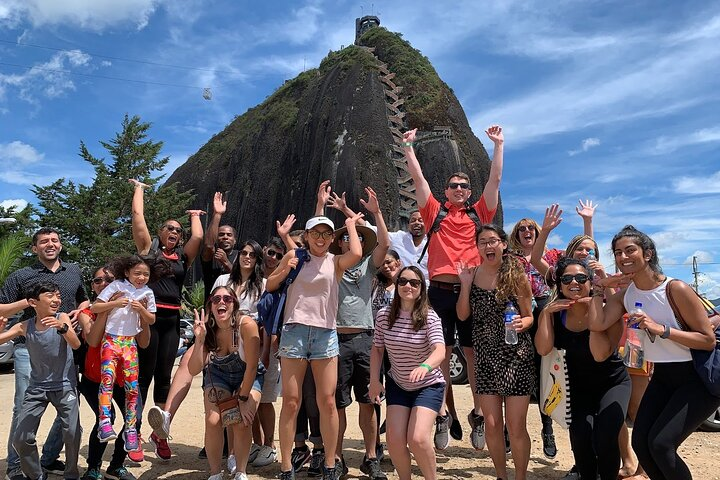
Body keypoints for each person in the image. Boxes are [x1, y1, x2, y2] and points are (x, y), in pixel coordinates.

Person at [589, 225, 720, 480]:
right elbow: (598, 323)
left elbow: (707, 340)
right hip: (662, 376)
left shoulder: (675, 289)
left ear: (647, 254)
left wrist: (660, 329)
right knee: (641, 444)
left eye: (630, 250)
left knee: (662, 445)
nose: (623, 257)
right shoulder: (627, 295)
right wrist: (599, 288)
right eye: (618, 252)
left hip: (696, 376)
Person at [403, 125, 504, 448]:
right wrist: (408, 149)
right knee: (441, 354)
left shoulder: (479, 212)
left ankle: (476, 413)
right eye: (453, 185)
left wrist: (498, 146)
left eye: (463, 185)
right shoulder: (435, 211)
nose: (459, 189)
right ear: (445, 191)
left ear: (468, 190)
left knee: (472, 354)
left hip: (471, 292)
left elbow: (495, 181)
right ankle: (445, 414)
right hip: (439, 292)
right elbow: (418, 181)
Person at [268, 212, 363, 480]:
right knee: (291, 402)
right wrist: (287, 267)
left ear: (331, 238)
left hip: (324, 334)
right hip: (294, 331)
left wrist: (351, 225)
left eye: (326, 234)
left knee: (328, 402)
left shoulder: (335, 262)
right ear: (307, 236)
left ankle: (331, 463)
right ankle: (287, 466)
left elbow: (356, 252)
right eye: (315, 233)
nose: (320, 238)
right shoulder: (294, 256)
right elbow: (270, 284)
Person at [0, 227, 89, 480]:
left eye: (55, 240)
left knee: (68, 411)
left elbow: (83, 299)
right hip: (29, 344)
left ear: (60, 244)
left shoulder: (73, 271)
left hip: (63, 343)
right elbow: (2, 308)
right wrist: (30, 301)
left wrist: (78, 312)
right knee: (23, 407)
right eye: (44, 241)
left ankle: (49, 458)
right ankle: (16, 466)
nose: (50, 244)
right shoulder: (22, 275)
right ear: (35, 248)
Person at [316, 182, 390, 480]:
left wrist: (377, 212)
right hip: (335, 340)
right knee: (337, 402)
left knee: (369, 401)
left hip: (365, 339)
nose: (351, 240)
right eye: (346, 237)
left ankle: (371, 456)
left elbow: (384, 244)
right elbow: (315, 240)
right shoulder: (331, 264)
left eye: (356, 236)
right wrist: (320, 207)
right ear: (341, 244)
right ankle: (335, 456)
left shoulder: (369, 267)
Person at [535, 257, 630, 480]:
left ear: (590, 282)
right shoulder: (555, 314)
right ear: (559, 285)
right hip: (578, 388)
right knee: (581, 438)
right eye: (567, 279)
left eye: (581, 278)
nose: (574, 283)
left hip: (613, 383)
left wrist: (594, 308)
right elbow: (543, 349)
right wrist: (546, 314)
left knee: (606, 437)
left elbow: (599, 355)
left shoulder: (609, 311)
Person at [129, 178, 204, 460]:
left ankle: (160, 433)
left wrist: (195, 216)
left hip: (172, 321)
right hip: (149, 319)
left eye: (177, 230)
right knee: (142, 378)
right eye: (169, 228)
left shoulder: (183, 258)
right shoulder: (149, 251)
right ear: (160, 233)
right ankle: (132, 432)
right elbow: (138, 218)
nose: (174, 232)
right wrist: (139, 188)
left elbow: (197, 238)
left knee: (163, 378)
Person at [456, 224, 534, 480]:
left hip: (516, 357)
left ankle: (520, 476)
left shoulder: (516, 275)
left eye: (492, 241)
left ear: (502, 244)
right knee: (491, 425)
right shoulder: (472, 274)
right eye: (482, 242)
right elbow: (463, 315)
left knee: (516, 426)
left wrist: (524, 323)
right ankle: (501, 475)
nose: (488, 246)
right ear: (477, 247)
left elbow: (529, 316)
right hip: (486, 358)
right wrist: (465, 284)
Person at [368, 266, 445, 480]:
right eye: (402, 281)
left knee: (418, 439)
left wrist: (425, 366)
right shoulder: (384, 315)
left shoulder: (430, 316)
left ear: (422, 288)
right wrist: (374, 380)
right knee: (394, 441)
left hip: (429, 384)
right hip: (399, 384)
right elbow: (377, 349)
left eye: (414, 282)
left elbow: (440, 350)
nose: (407, 286)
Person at [78, 266, 152, 480]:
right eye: (98, 280)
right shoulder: (87, 313)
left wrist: (143, 316)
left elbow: (144, 342)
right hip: (95, 380)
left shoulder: (129, 308)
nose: (104, 284)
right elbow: (92, 340)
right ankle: (93, 467)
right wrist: (106, 310)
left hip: (124, 378)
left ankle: (116, 465)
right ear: (93, 286)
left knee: (134, 418)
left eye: (109, 280)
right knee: (106, 416)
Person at [188, 286, 265, 480]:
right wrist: (199, 340)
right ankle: (215, 473)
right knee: (213, 421)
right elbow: (194, 369)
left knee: (240, 421)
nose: (221, 302)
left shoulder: (246, 325)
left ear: (234, 304)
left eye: (227, 299)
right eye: (216, 299)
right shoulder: (208, 329)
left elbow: (252, 367)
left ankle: (240, 471)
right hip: (219, 376)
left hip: (248, 375)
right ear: (211, 305)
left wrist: (243, 397)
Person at [213, 240, 276, 468]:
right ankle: (234, 451)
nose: (247, 257)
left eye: (252, 254)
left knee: (259, 400)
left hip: (253, 349)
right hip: (227, 351)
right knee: (232, 400)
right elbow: (214, 312)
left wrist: (266, 352)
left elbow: (268, 323)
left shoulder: (264, 285)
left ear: (258, 259)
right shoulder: (224, 281)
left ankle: (266, 446)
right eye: (244, 253)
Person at [90, 255, 157, 451]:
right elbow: (95, 306)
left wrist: (141, 311)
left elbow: (151, 319)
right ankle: (104, 422)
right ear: (127, 273)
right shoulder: (117, 285)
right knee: (107, 380)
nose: (141, 277)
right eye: (137, 273)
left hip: (129, 344)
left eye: (146, 274)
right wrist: (113, 304)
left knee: (132, 387)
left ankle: (130, 430)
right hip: (111, 341)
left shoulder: (147, 293)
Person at [201, 192, 239, 300]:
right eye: (221, 235)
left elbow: (242, 279)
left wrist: (226, 262)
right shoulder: (211, 255)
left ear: (235, 240)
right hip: (212, 306)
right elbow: (208, 245)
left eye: (229, 235)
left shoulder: (242, 255)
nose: (225, 237)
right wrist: (217, 214)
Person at [387, 210, 428, 279]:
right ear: (408, 225)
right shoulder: (399, 237)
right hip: (401, 285)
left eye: (421, 220)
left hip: (425, 287)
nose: (417, 223)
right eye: (413, 220)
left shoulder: (433, 243)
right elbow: (377, 232)